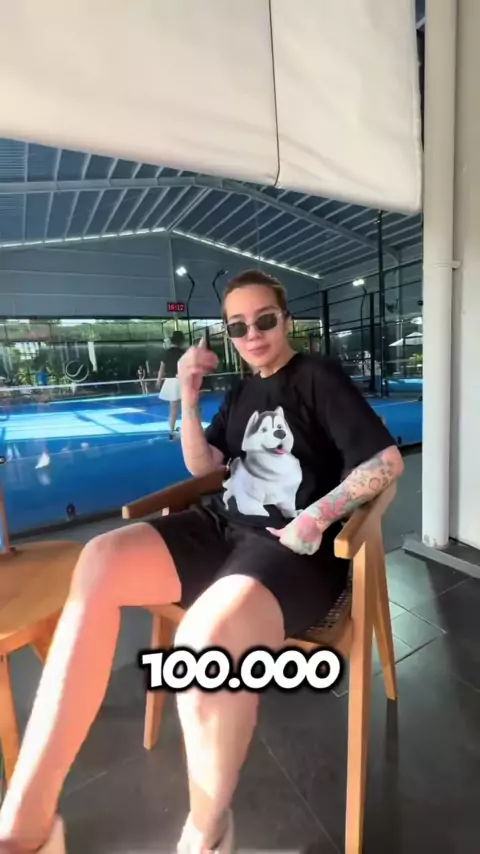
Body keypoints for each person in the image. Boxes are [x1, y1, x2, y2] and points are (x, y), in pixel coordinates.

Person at [0, 269, 404, 854]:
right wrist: (188, 396)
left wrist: (314, 519)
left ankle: (207, 831)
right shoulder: (240, 393)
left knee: (202, 645)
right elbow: (202, 466)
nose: (252, 334)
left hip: (292, 546)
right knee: (99, 558)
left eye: (264, 319)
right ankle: (27, 818)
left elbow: (385, 463)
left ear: (286, 319)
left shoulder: (316, 376)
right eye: (238, 326)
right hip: (219, 528)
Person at [156, 330, 186, 438]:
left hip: (170, 382)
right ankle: (186, 430)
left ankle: (172, 431)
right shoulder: (183, 353)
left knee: (173, 409)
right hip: (182, 381)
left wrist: (158, 381)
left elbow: (161, 369)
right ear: (181, 341)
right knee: (186, 408)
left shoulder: (166, 353)